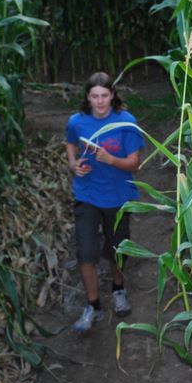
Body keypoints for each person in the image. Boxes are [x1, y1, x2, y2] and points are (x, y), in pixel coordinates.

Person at [65, 72, 145, 332]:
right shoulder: (77, 122)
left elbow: (135, 163)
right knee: (86, 251)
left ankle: (118, 289)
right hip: (87, 195)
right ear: (87, 98)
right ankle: (93, 305)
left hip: (118, 197)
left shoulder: (126, 122)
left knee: (116, 249)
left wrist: (111, 160)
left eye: (104, 96)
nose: (100, 102)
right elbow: (70, 143)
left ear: (112, 96)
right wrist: (74, 165)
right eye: (94, 96)